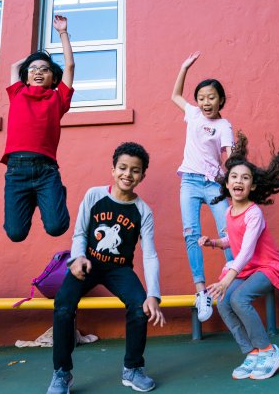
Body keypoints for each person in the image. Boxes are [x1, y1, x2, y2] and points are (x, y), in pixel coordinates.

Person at [47, 142, 165, 394]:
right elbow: (79, 233)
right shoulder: (94, 195)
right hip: (87, 264)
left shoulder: (143, 211)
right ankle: (61, 373)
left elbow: (150, 255)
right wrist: (77, 259)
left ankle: (133, 368)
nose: (128, 174)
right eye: (122, 168)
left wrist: (153, 295)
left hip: (119, 269)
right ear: (113, 170)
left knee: (139, 305)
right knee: (63, 305)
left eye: (135, 170)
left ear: (142, 175)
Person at [199, 131, 279, 380]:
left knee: (239, 298)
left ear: (252, 185)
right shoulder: (230, 212)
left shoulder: (254, 213)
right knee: (223, 301)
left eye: (245, 177)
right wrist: (214, 243)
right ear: (227, 184)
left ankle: (268, 350)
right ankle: (252, 352)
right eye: (234, 177)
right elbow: (233, 240)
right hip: (247, 268)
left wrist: (226, 280)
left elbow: (246, 251)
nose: (239, 180)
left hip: (267, 267)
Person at [171, 51, 234, 322]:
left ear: (221, 100)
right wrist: (184, 67)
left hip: (214, 184)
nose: (206, 102)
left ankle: (232, 283)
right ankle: (201, 292)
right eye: (201, 98)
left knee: (228, 231)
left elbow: (229, 154)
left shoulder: (223, 124)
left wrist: (234, 179)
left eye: (211, 97)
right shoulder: (193, 114)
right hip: (189, 181)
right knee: (190, 233)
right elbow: (175, 96)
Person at [1, 14, 75, 242]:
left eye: (45, 69)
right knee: (15, 234)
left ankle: (52, 194)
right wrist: (36, 57)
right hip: (16, 171)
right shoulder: (18, 92)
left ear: (54, 78)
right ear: (26, 77)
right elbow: (15, 65)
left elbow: (70, 65)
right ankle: (34, 197)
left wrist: (62, 32)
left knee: (56, 227)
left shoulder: (58, 99)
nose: (38, 72)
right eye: (33, 69)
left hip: (46, 171)